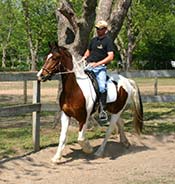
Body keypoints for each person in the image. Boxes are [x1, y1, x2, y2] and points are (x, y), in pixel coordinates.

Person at [83, 20, 115, 122]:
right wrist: (84, 57)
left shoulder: (108, 41)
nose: (97, 30)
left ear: (105, 30)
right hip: (88, 66)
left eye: (100, 29)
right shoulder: (93, 40)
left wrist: (98, 64)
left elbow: (110, 57)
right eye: (97, 28)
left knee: (101, 87)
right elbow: (88, 52)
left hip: (100, 68)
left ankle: (103, 110)